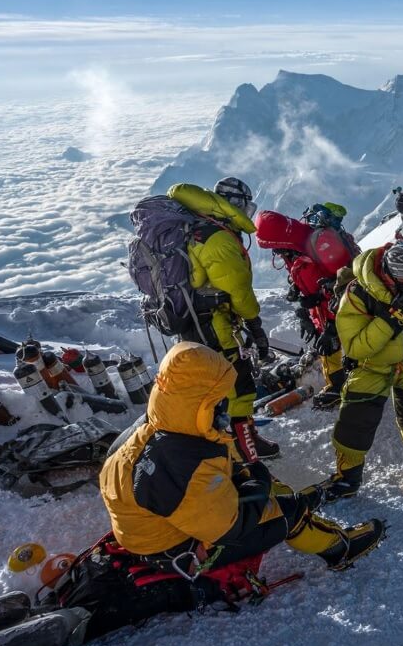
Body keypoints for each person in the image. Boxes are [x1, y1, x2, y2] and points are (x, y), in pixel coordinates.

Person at [99, 342, 385, 581]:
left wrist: (249, 476)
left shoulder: (157, 427)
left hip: (156, 531)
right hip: (180, 550)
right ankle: (340, 549)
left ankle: (300, 503)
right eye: (217, 401)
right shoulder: (184, 461)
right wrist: (259, 482)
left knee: (259, 481)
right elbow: (231, 526)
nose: (223, 406)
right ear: (199, 403)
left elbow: (205, 476)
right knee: (286, 511)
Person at [323, 242, 403, 499]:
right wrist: (393, 318)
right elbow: (355, 347)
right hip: (372, 367)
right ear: (390, 273)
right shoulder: (358, 293)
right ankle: (347, 477)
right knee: (355, 421)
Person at [167, 177, 278, 460]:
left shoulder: (199, 229)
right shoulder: (218, 238)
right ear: (234, 204)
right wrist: (255, 325)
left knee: (214, 387)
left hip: (196, 324)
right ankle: (242, 451)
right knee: (238, 386)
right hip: (215, 326)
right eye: (245, 206)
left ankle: (226, 444)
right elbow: (238, 290)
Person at [253, 207, 358, 410]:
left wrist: (332, 326)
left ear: (278, 239)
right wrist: (303, 307)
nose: (273, 251)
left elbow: (348, 285)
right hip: (321, 308)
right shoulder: (291, 247)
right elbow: (302, 274)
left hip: (343, 307)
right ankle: (336, 385)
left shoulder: (321, 244)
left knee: (344, 342)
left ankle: (356, 387)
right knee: (326, 346)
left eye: (272, 245)